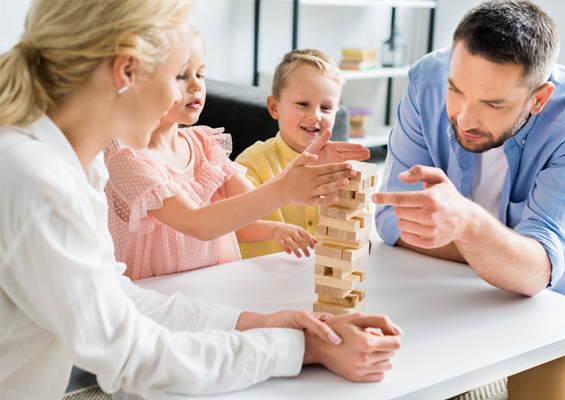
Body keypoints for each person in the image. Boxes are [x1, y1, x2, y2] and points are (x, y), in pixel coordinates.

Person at [0, 1, 402, 399]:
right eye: (177, 75)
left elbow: (116, 296)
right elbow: (133, 354)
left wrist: (263, 323)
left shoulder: (76, 165)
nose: (186, 92)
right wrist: (304, 348)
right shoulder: (37, 182)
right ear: (126, 72)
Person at [372, 1, 565, 399]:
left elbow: (537, 272)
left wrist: (466, 225)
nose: (464, 118)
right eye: (456, 91)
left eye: (494, 104)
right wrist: (496, 252)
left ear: (539, 98)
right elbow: (394, 220)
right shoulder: (428, 78)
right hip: (451, 284)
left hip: (561, 298)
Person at [104, 28, 349, 280]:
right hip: (155, 298)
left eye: (200, 73)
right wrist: (287, 189)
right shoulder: (125, 158)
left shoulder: (205, 144)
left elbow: (252, 200)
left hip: (215, 285)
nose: (196, 84)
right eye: (180, 74)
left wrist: (304, 167)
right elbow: (197, 223)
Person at [235, 49, 371, 259]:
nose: (314, 116)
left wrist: (359, 234)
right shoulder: (251, 163)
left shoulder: (344, 166)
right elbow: (233, 226)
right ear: (274, 107)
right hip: (263, 278)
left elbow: (357, 217)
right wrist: (274, 230)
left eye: (325, 107)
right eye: (303, 104)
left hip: (321, 276)